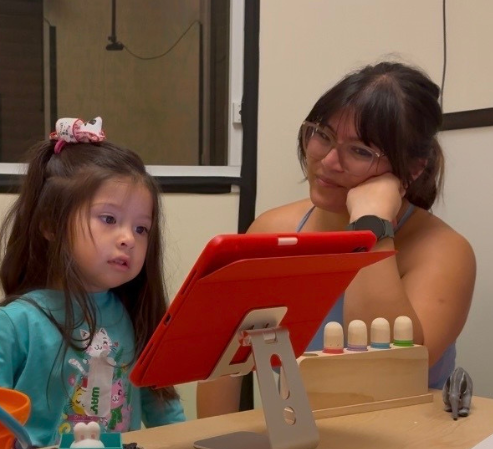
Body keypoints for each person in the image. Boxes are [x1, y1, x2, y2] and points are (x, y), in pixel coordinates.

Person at [197, 61, 476, 418]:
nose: (328, 161)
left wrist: (370, 226)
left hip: (409, 446)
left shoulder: (445, 252)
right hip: (300, 440)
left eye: (360, 151)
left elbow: (383, 372)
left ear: (414, 168)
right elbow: (221, 366)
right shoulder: (272, 231)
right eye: (323, 135)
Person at [0, 117, 185, 446]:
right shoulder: (12, 325)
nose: (128, 239)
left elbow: (165, 411)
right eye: (108, 219)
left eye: (141, 228)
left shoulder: (134, 315)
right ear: (51, 224)